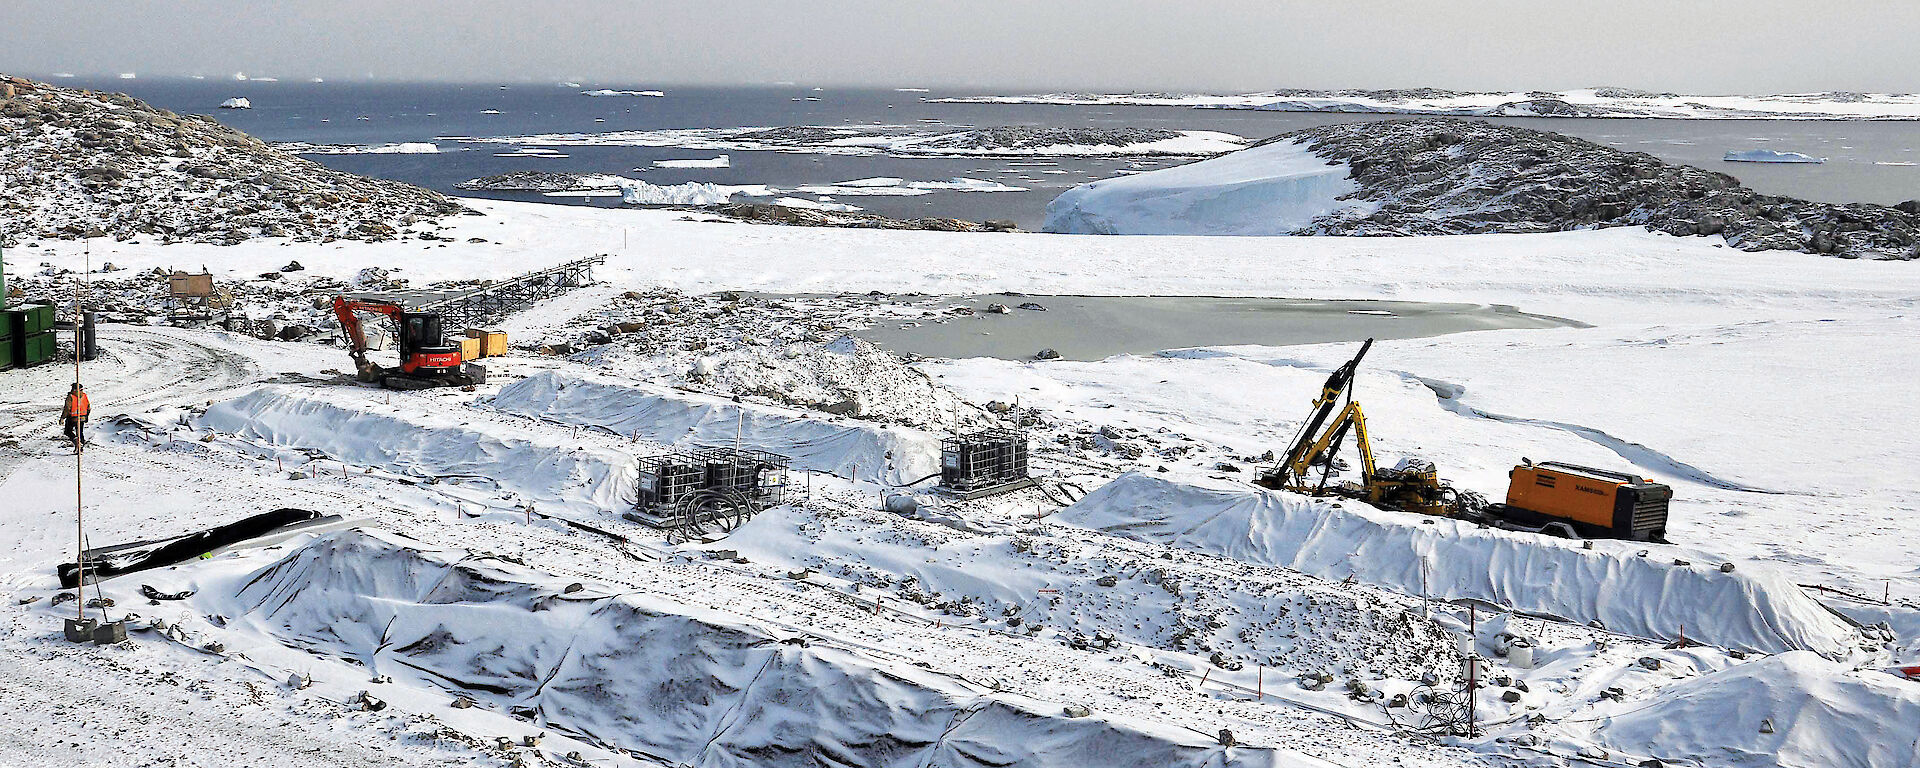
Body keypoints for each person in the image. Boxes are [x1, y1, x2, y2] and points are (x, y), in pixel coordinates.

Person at [61, 383, 89, 448]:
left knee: (67, 431)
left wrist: (62, 418)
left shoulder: (71, 396)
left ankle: (76, 441)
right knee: (80, 432)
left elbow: (67, 408)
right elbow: (88, 407)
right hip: (82, 417)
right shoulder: (84, 396)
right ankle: (80, 447)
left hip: (72, 418)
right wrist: (86, 416)